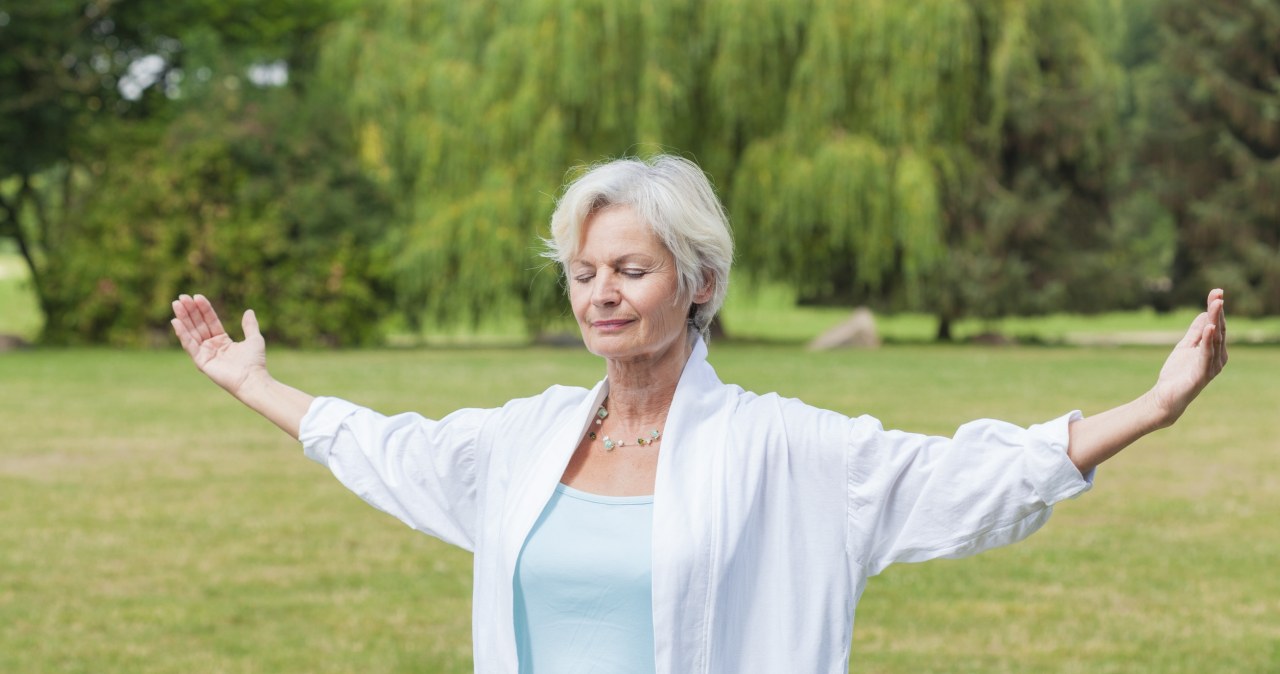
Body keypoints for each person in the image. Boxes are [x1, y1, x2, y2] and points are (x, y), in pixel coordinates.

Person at [171, 155, 1227, 674]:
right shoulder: (526, 438)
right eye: (582, 272)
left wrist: (1151, 404)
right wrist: (250, 381)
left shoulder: (777, 446)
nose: (600, 294)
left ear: (698, 282)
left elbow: (962, 474)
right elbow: (384, 445)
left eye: (630, 269)